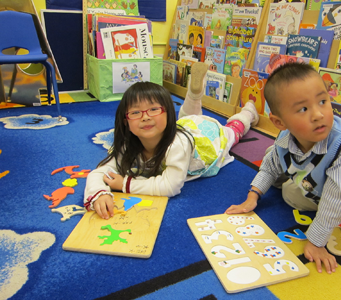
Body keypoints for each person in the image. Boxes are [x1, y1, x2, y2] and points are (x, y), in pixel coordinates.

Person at [225, 62, 341, 274]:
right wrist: (253, 196)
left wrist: (316, 242)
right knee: (273, 154)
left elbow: (339, 199)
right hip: (314, 175)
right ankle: (293, 176)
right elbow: (270, 165)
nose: (318, 114)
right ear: (279, 122)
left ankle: (294, 180)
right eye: (303, 109)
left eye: (323, 101)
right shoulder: (285, 135)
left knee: (290, 192)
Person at [84, 62, 259, 220]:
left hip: (207, 137)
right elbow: (100, 172)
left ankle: (248, 112)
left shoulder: (177, 145)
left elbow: (170, 187)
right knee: (188, 119)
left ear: (168, 112)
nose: (145, 117)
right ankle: (193, 95)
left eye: (153, 109)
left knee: (234, 131)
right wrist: (99, 193)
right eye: (136, 113)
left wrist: (125, 184)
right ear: (125, 121)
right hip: (183, 127)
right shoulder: (128, 144)